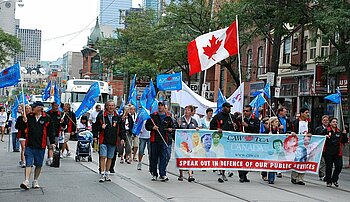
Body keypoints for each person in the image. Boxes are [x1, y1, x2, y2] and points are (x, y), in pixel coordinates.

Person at [17, 101, 55, 190]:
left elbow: (51, 131)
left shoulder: (47, 118)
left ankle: (35, 180)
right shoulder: (29, 117)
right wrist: (23, 120)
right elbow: (20, 127)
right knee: (28, 163)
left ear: (39, 108)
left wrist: (52, 142)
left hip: (41, 145)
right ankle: (26, 181)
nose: (32, 108)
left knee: (38, 164)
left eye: (33, 107)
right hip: (29, 144)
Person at [95, 100, 125, 182]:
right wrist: (101, 127)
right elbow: (95, 127)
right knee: (103, 156)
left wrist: (122, 138)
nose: (111, 107)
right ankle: (102, 173)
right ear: (106, 106)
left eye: (112, 105)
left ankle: (107, 173)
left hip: (113, 140)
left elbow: (122, 129)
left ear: (114, 107)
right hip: (103, 139)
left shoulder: (117, 117)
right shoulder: (101, 116)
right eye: (109, 105)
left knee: (110, 157)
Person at [210, 102, 239, 183]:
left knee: (229, 156)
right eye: (228, 107)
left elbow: (237, 128)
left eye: (230, 107)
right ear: (223, 107)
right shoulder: (218, 116)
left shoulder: (232, 117)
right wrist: (217, 129)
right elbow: (212, 126)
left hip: (230, 141)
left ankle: (229, 170)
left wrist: (235, 126)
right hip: (221, 140)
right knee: (221, 156)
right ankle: (222, 172)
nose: (229, 109)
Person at [145, 101, 174, 182]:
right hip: (154, 140)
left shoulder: (168, 117)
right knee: (153, 157)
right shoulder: (153, 116)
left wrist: (170, 129)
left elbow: (172, 126)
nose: (160, 107)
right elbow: (147, 126)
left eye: (162, 106)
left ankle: (163, 174)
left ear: (164, 107)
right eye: (159, 106)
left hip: (164, 140)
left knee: (163, 157)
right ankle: (154, 173)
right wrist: (152, 127)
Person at [322, 118, 348, 187]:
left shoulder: (339, 132)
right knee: (329, 167)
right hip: (328, 152)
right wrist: (325, 136)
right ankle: (328, 181)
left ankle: (334, 179)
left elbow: (344, 141)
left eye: (336, 122)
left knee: (339, 166)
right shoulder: (326, 131)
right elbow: (320, 137)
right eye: (333, 122)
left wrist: (345, 134)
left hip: (337, 152)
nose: (335, 123)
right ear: (330, 123)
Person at [290, 107, 311, 185]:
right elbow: (290, 130)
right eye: (306, 112)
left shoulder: (309, 122)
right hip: (297, 144)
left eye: (308, 112)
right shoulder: (295, 122)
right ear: (301, 113)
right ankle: (294, 176)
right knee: (297, 159)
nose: (307, 114)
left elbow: (313, 130)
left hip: (306, 144)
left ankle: (301, 178)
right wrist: (292, 133)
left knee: (304, 160)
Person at [177, 105, 198, 182]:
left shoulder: (194, 121)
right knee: (181, 157)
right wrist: (178, 126)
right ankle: (181, 174)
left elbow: (197, 131)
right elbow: (176, 130)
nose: (186, 111)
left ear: (191, 112)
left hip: (190, 143)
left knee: (190, 158)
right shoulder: (180, 120)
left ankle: (190, 175)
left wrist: (197, 129)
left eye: (188, 110)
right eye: (185, 110)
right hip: (181, 143)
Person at [240, 105, 260, 183]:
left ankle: (245, 173)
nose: (245, 112)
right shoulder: (241, 119)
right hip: (242, 143)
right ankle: (242, 175)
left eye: (247, 111)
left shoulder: (255, 119)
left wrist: (247, 126)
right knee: (242, 158)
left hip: (252, 142)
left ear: (251, 112)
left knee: (249, 159)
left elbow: (257, 129)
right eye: (244, 111)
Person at [262, 116, 282, 184]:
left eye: (277, 121)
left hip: (276, 149)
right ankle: (267, 176)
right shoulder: (267, 131)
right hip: (269, 149)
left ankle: (271, 178)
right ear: (272, 123)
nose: (277, 123)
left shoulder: (278, 131)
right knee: (269, 163)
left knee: (273, 163)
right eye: (276, 122)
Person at [314, 115, 329, 180]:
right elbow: (317, 137)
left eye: (327, 120)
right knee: (322, 162)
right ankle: (322, 175)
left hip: (328, 148)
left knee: (326, 162)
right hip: (320, 147)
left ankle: (325, 174)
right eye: (324, 120)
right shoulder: (318, 129)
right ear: (322, 121)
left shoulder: (330, 128)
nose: (325, 121)